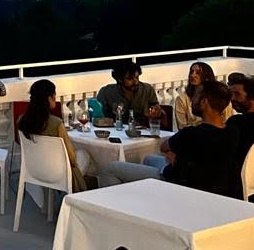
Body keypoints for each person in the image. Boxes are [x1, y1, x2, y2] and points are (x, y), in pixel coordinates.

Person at [98, 81, 241, 198]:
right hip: (214, 184)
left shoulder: (192, 134)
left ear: (204, 102)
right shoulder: (232, 132)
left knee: (110, 169)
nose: (192, 100)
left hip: (178, 183)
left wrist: (177, 156)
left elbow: (164, 147)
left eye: (196, 96)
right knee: (148, 158)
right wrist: (179, 156)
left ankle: (116, 208)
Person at [16, 79, 89, 192]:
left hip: (34, 170)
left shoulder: (21, 121)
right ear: (50, 98)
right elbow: (72, 158)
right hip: (57, 173)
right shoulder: (56, 124)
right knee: (84, 155)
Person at [96, 61, 159, 126]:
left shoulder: (147, 89)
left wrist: (156, 111)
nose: (136, 82)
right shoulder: (106, 92)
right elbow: (98, 115)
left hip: (142, 129)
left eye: (137, 77)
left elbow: (157, 110)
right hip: (115, 129)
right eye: (130, 79)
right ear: (120, 79)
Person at [174, 62, 232, 129]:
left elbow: (227, 121)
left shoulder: (220, 96)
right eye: (191, 72)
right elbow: (182, 127)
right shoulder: (182, 99)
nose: (192, 75)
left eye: (198, 73)